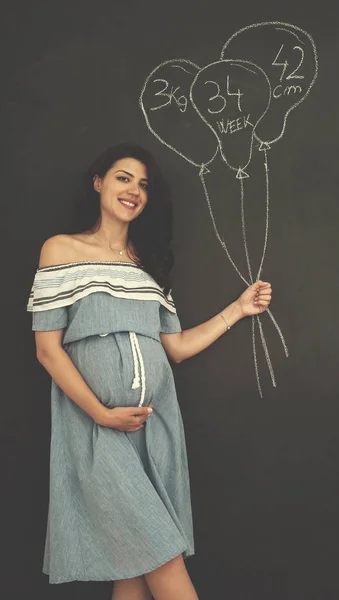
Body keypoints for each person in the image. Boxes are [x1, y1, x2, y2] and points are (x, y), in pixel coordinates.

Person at [27, 143, 272, 600]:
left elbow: (175, 348)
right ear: (99, 182)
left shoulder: (147, 266)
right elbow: (48, 351)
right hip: (97, 428)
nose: (134, 190)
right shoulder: (61, 250)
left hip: (153, 427)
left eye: (143, 184)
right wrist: (101, 414)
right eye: (123, 178)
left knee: (133, 568)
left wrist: (238, 310)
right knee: (161, 555)